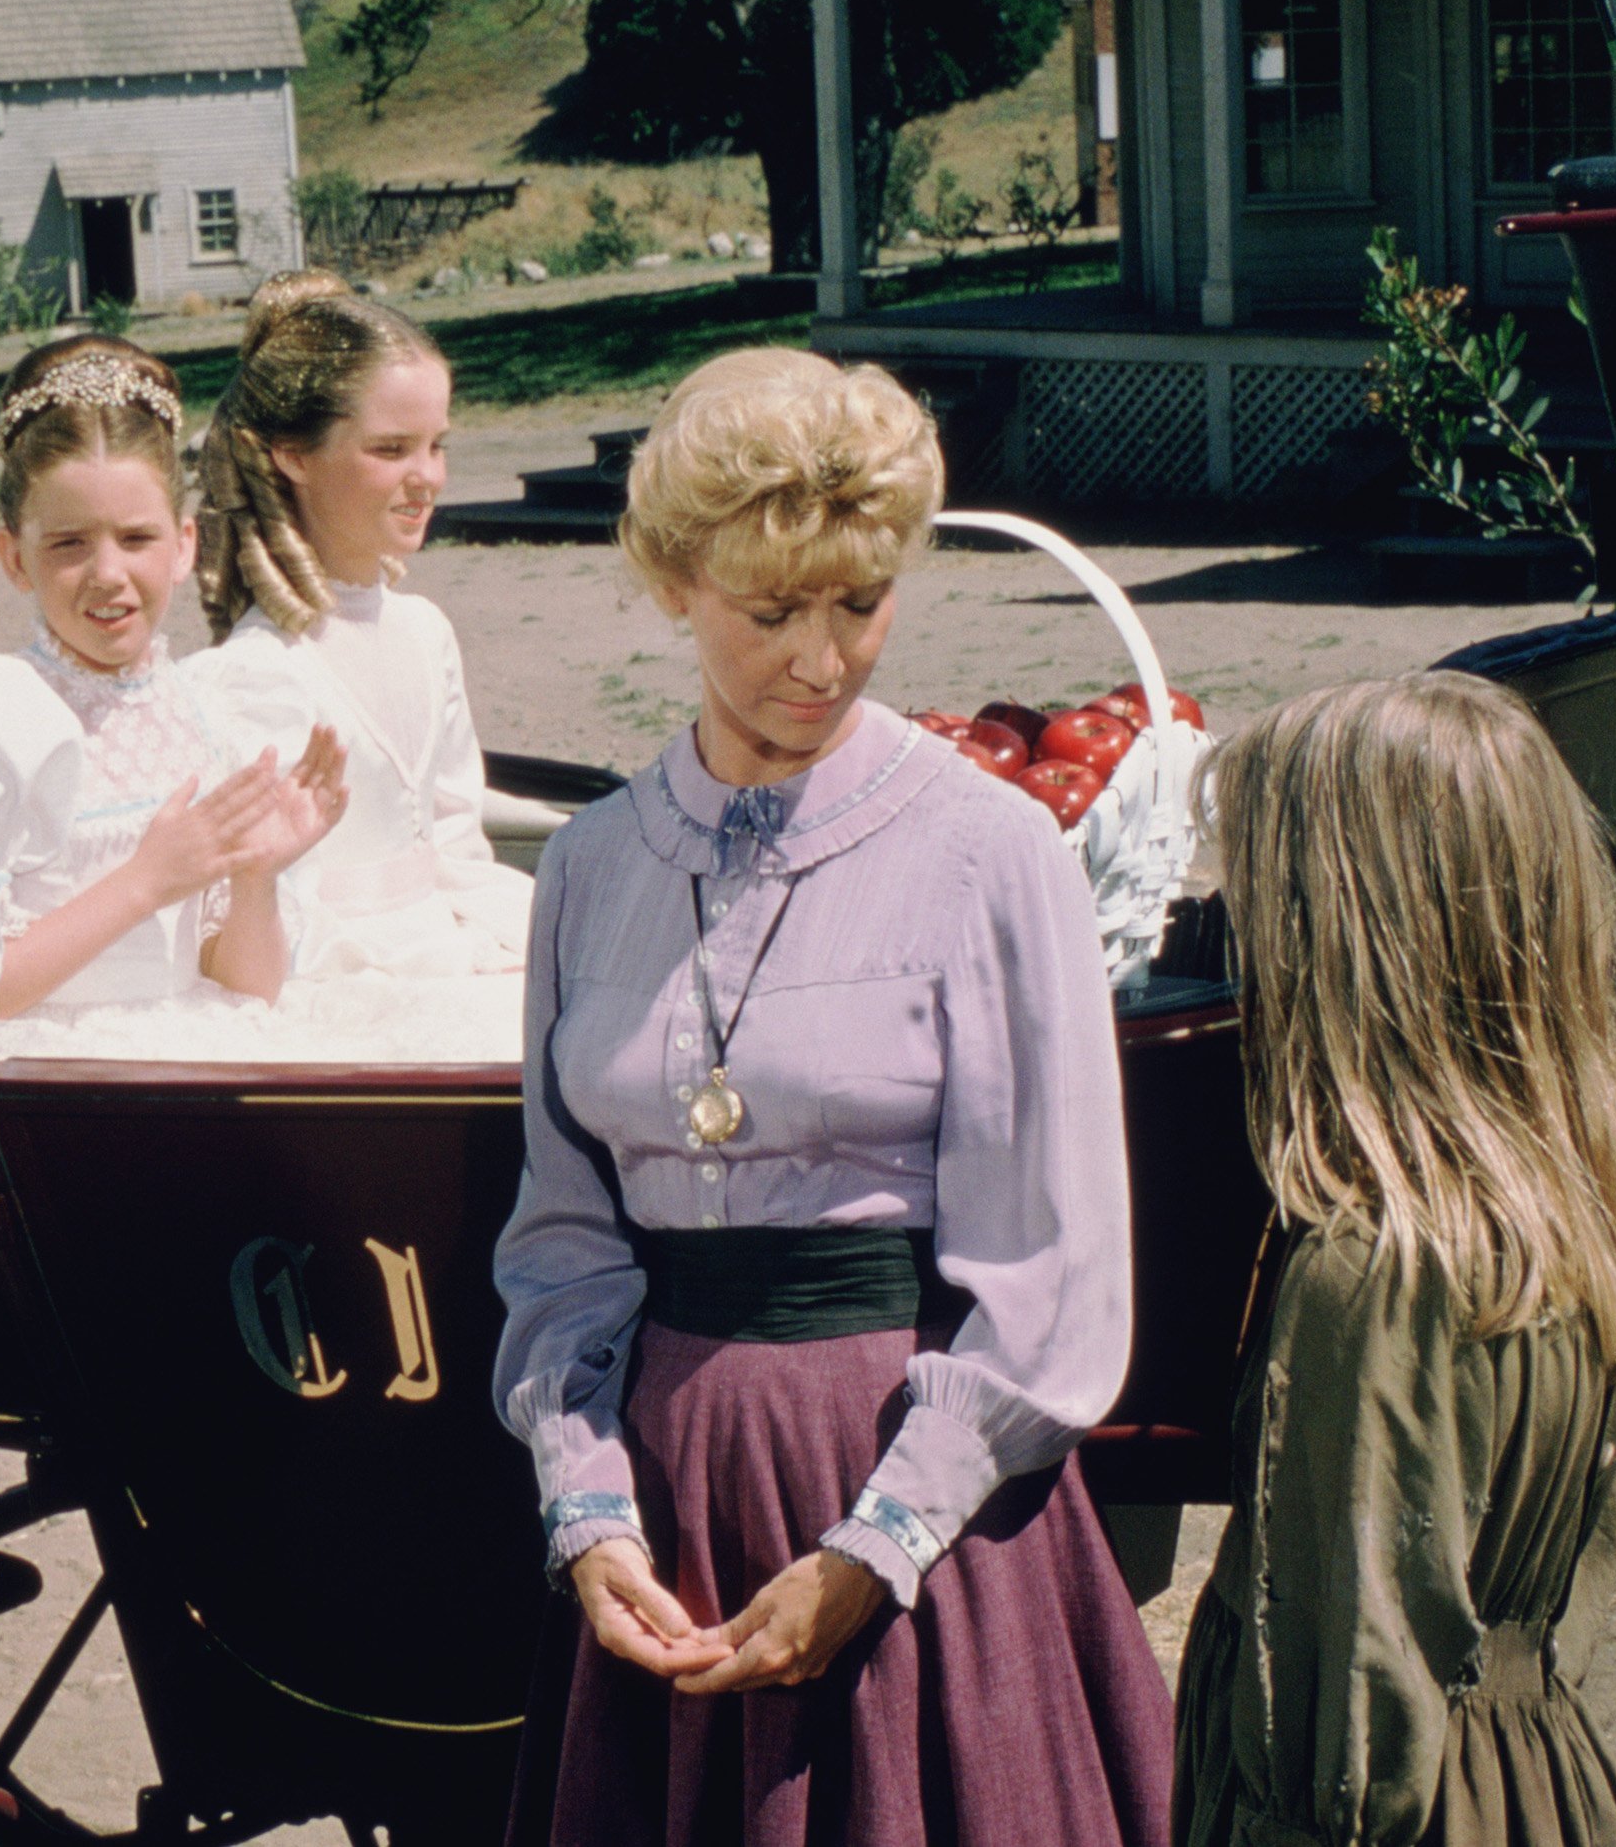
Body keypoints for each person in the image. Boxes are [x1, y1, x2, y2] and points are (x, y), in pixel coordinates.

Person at [492, 347, 1174, 1845]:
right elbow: (563, 1243)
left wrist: (879, 1541)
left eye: (859, 605)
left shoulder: (992, 853)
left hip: (921, 1524)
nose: (820, 659)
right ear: (676, 584)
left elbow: (1053, 1278)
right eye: (771, 610)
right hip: (671, 1520)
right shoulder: (591, 868)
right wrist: (588, 1507)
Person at [1174, 672, 1616, 1847]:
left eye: (1255, 899)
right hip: (1530, 1778)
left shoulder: (1370, 1279)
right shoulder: (1582, 1197)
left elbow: (1341, 1737)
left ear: (1339, 943)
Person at [0, 336, 345, 1024]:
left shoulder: (212, 712)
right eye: (69, 544)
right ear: (15, 557)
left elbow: (244, 989)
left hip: (193, 1038)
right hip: (41, 1061)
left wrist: (255, 876)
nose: (108, 574)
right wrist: (146, 882)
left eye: (136, 539)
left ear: (185, 545)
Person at [193, 279, 532, 979]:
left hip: (451, 940)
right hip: (341, 973)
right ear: (293, 454)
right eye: (391, 450)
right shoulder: (261, 670)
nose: (427, 477)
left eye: (436, 446)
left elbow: (454, 838)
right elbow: (274, 894)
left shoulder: (425, 631)